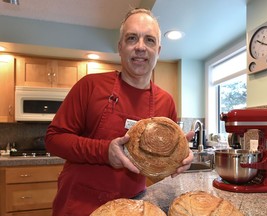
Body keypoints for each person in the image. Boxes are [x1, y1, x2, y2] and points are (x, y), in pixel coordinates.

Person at [45, 8, 194, 216]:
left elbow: (156, 169)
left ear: (158, 51)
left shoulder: (166, 102)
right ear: (120, 47)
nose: (140, 47)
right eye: (132, 38)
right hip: (80, 204)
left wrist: (178, 160)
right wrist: (105, 151)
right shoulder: (90, 86)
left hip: (132, 206)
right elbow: (53, 139)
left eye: (149, 40)